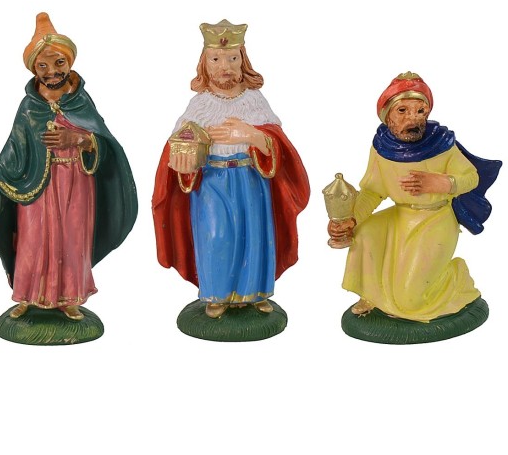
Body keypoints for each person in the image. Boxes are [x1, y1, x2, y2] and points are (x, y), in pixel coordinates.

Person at [0, 12, 138, 321]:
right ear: (34, 69)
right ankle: (28, 295)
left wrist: (81, 139)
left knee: (73, 239)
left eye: (59, 63)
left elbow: (105, 142)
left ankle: (69, 297)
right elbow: (14, 148)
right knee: (33, 239)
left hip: (76, 181)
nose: (52, 72)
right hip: (37, 187)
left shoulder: (81, 101)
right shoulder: (29, 107)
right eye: (43, 66)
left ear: (69, 62)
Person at [152, 20, 309, 318]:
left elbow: (277, 144)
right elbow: (178, 143)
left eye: (232, 58)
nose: (224, 66)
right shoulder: (200, 105)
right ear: (205, 64)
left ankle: (255, 292)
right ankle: (218, 293)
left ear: (242, 61)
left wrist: (250, 135)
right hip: (212, 180)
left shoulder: (254, 101)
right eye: (216, 59)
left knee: (255, 236)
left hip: (250, 179)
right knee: (216, 236)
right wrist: (185, 152)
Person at [329, 72, 501, 321]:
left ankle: (457, 278)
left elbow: (471, 177)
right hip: (400, 216)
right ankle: (373, 295)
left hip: (435, 218)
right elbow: (373, 191)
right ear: (387, 115)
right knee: (364, 233)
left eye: (421, 111)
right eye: (402, 111)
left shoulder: (441, 145)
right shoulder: (382, 147)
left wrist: (442, 183)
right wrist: (352, 219)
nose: (413, 119)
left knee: (411, 299)